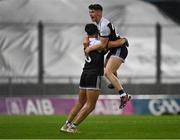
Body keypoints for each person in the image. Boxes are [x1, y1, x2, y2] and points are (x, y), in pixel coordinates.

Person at [84, 4, 131, 109]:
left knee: (107, 72)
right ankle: (115, 82)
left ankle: (124, 95)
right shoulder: (101, 24)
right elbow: (105, 44)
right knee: (107, 67)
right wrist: (122, 40)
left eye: (93, 12)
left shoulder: (104, 25)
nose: (90, 14)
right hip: (116, 49)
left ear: (99, 13)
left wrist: (90, 48)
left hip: (119, 49)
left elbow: (103, 45)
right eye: (90, 12)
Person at [60, 23, 105, 133]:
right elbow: (107, 45)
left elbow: (88, 40)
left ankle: (66, 125)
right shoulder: (99, 43)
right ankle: (73, 127)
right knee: (91, 105)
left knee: (80, 102)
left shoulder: (86, 41)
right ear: (97, 32)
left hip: (85, 73)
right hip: (94, 75)